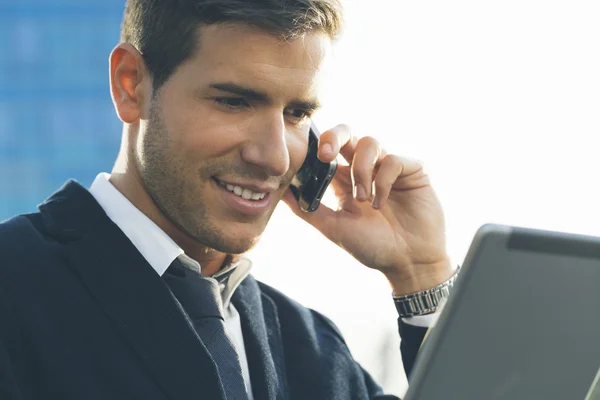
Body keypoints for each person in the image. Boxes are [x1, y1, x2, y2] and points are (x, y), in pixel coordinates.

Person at [0, 1, 458, 399]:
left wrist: (422, 275)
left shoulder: (315, 351)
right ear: (130, 84)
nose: (276, 158)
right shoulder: (14, 289)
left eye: (297, 113)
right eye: (235, 102)